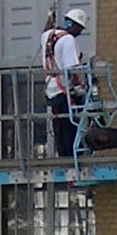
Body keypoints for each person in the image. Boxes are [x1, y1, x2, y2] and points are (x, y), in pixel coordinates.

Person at [41, 9, 89, 157]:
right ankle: (73, 159)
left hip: (52, 91)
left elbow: (46, 30)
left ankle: (63, 159)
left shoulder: (47, 36)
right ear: (74, 25)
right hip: (65, 92)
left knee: (59, 128)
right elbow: (72, 68)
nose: (79, 33)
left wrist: (49, 17)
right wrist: (78, 88)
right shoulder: (68, 40)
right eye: (79, 29)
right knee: (71, 130)